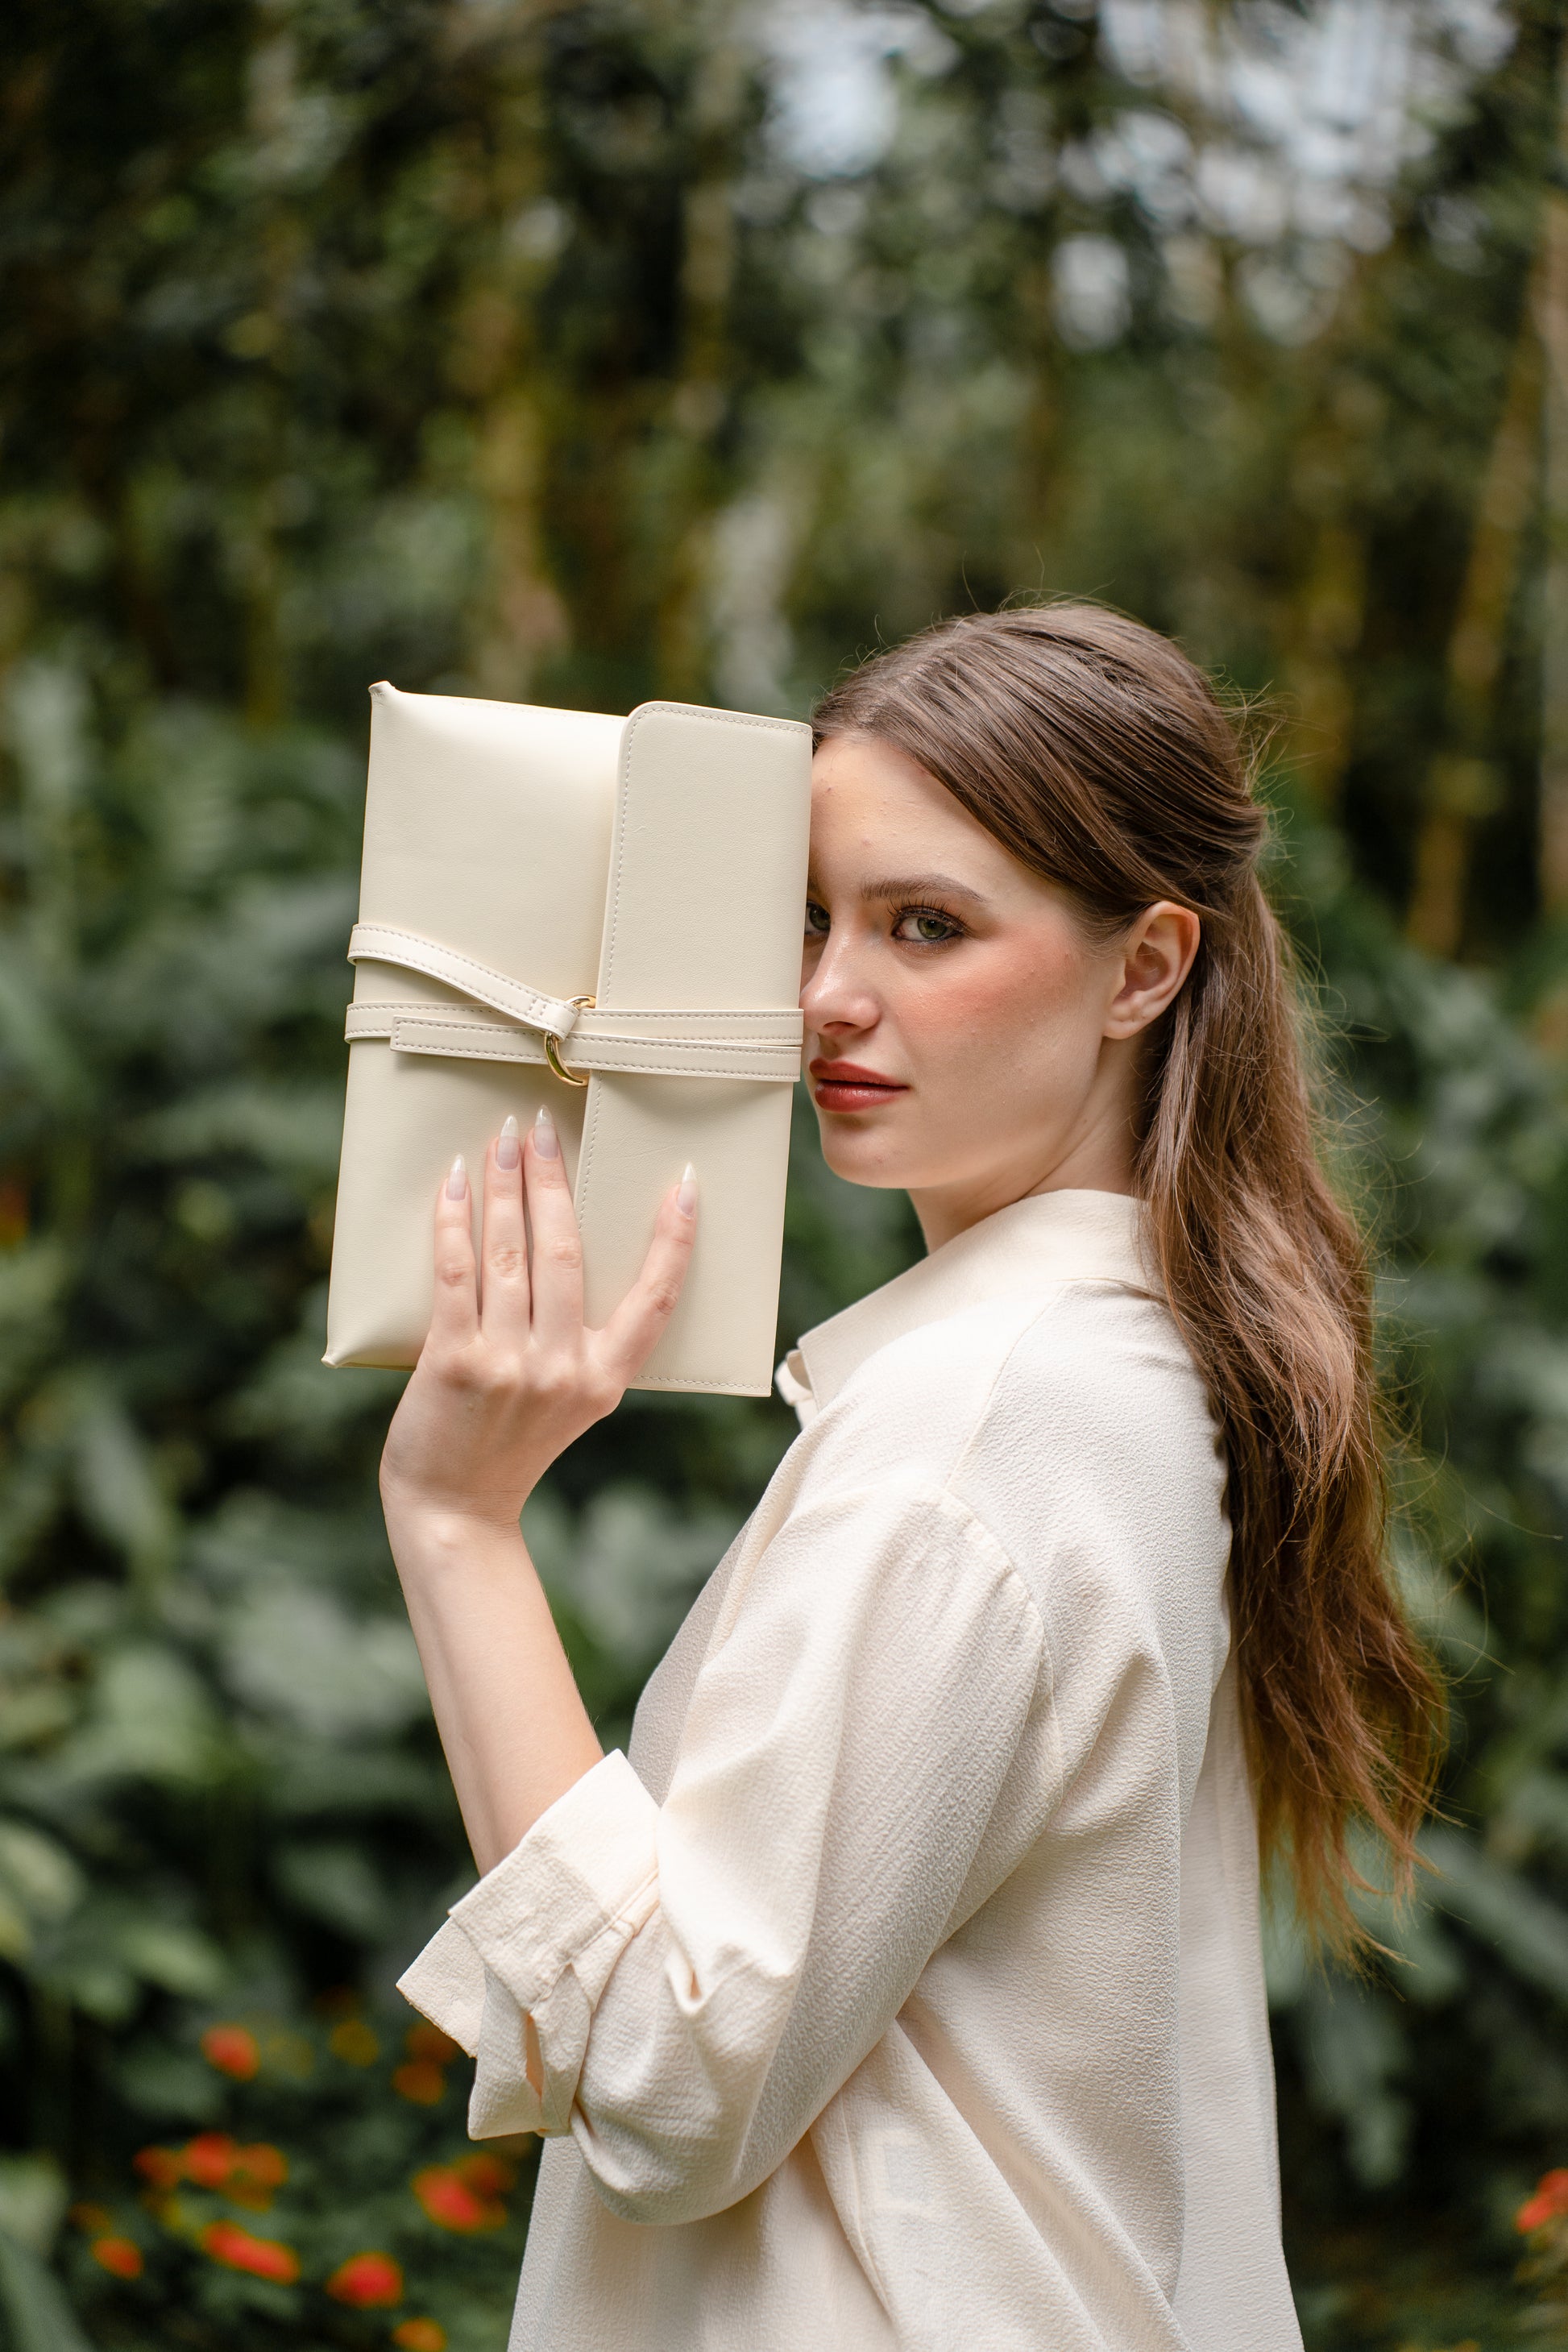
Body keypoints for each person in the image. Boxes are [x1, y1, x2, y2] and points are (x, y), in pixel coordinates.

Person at [388, 604, 1441, 2352]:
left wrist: (455, 1520)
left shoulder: (974, 1422)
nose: (824, 997)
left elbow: (667, 2068)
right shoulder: (1129, 1377)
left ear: (1144, 966)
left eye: (925, 924)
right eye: (810, 916)